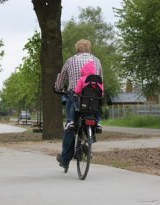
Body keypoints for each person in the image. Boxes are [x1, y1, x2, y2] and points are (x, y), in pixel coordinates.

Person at [54, 39, 103, 169]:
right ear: (89, 49)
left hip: (75, 96)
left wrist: (58, 88)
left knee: (71, 126)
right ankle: (91, 136)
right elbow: (100, 79)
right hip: (93, 98)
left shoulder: (71, 60)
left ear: (77, 49)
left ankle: (65, 159)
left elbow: (62, 77)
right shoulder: (97, 60)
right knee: (92, 114)